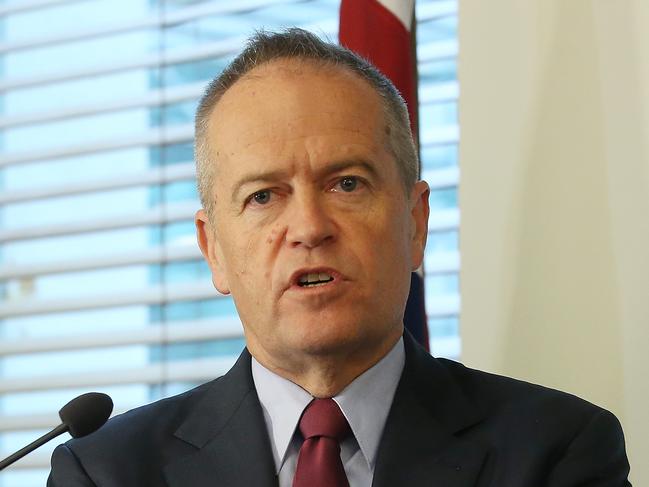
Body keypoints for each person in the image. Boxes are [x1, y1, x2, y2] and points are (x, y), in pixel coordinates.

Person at [48, 28, 631, 487]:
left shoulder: (556, 452)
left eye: (347, 184)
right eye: (262, 196)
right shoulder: (107, 473)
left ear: (416, 222)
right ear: (214, 251)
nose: (308, 227)